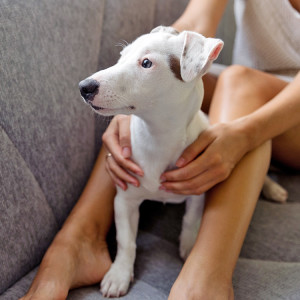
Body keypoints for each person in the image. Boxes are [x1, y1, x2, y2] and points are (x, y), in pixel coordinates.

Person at [21, 0, 300, 299]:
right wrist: (131, 103)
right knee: (176, 94)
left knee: (239, 80)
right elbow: (196, 20)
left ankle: (206, 276)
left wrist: (246, 133)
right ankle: (79, 238)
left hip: (278, 105)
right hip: (241, 87)